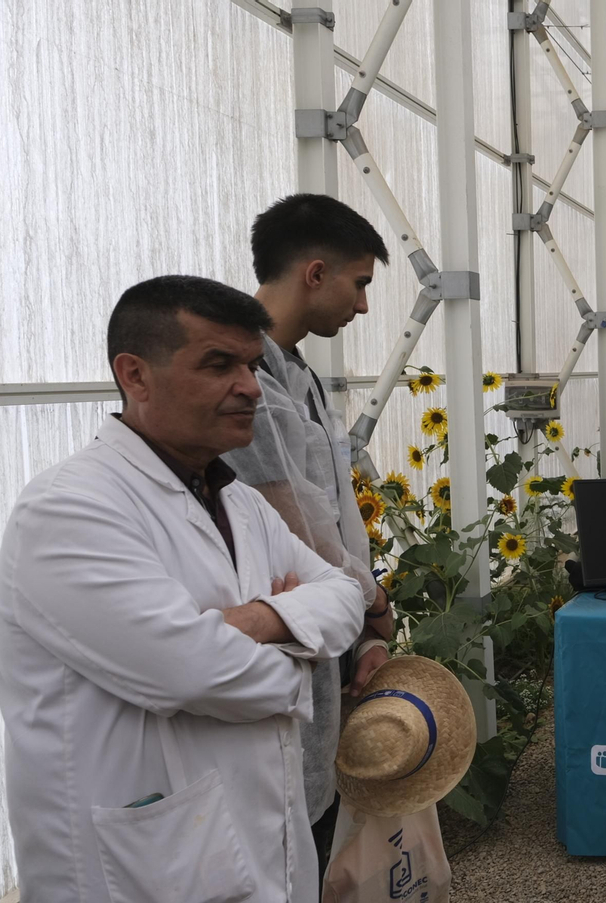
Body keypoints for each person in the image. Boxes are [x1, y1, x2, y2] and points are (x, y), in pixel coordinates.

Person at [0, 276, 365, 901]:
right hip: (137, 869)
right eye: (219, 365)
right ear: (135, 376)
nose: (250, 387)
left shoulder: (240, 502)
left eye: (251, 365)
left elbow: (345, 595)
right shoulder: (68, 510)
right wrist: (301, 647)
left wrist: (256, 621)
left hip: (249, 838)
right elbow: (195, 674)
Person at [223, 193, 396, 880]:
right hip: (288, 630)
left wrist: (366, 624)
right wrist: (370, 599)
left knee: (310, 832)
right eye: (360, 284)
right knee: (278, 841)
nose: (362, 307)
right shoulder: (251, 381)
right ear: (315, 273)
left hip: (330, 620)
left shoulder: (298, 373)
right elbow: (295, 519)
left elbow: (335, 511)